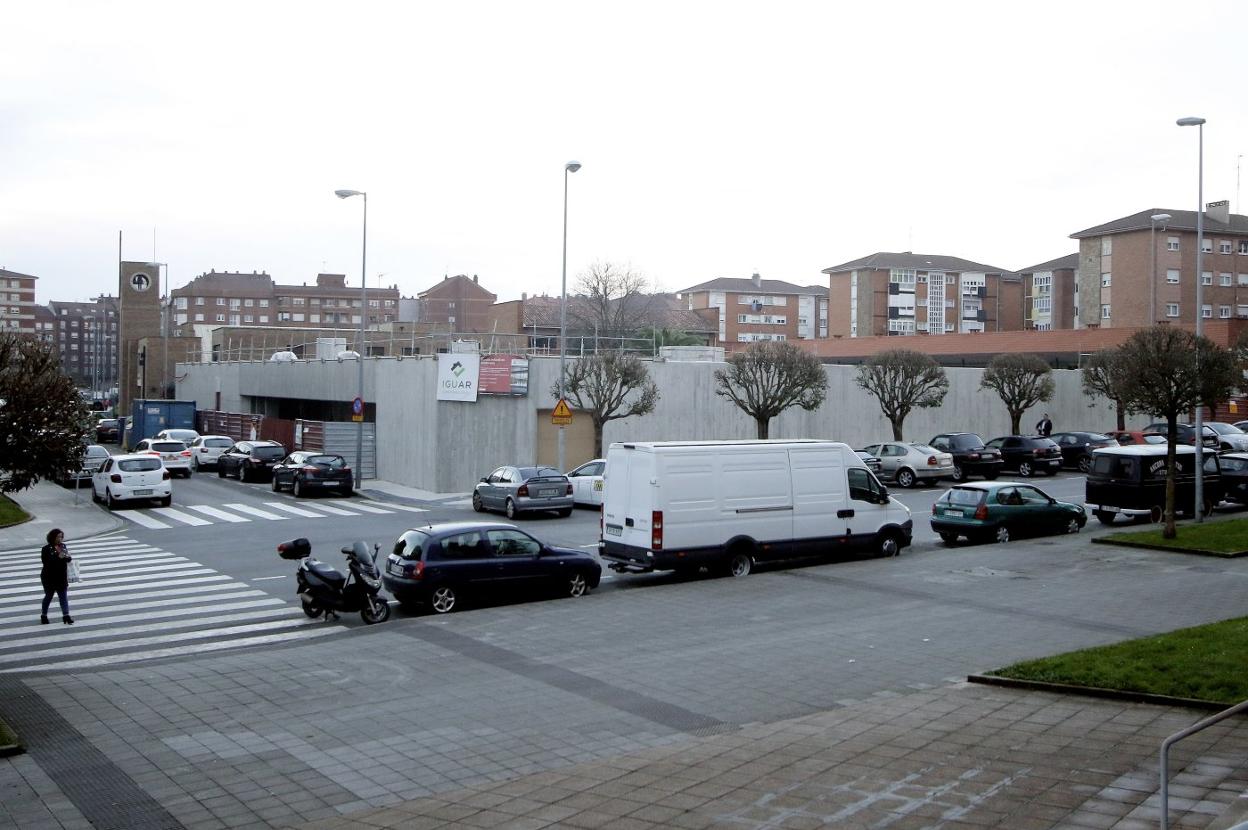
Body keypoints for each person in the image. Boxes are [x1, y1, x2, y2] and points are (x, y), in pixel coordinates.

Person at [40, 528, 74, 625]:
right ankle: (44, 615)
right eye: (58, 537)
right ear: (52, 537)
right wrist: (58, 558)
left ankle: (66, 615)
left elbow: (68, 559)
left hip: (61, 576)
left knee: (63, 596)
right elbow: (46, 563)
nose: (60, 539)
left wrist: (68, 557)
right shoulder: (46, 549)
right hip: (49, 577)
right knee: (49, 596)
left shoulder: (62, 546)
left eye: (61, 537)